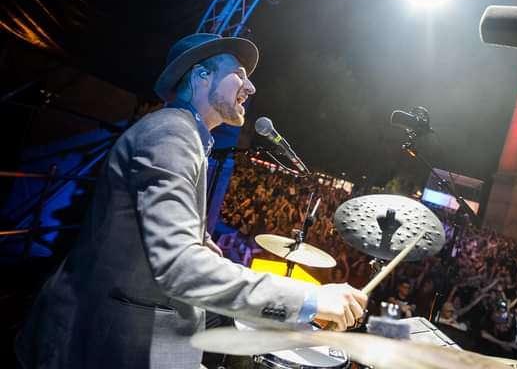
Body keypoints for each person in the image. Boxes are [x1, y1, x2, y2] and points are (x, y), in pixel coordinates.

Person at [15, 33, 367, 369]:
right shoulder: (171, 134)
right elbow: (179, 264)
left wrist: (203, 244)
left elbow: (159, 237)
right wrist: (309, 299)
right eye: (238, 75)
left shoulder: (186, 137)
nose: (251, 86)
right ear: (201, 75)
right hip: (98, 343)